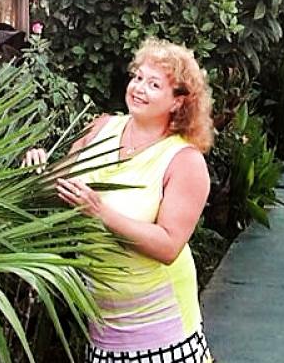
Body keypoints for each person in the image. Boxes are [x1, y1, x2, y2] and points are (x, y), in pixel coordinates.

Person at [25, 38, 214, 363]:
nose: (139, 88)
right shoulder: (100, 128)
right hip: (102, 327)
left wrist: (100, 212)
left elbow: (168, 246)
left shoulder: (185, 161)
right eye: (138, 77)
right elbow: (59, 186)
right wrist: (38, 169)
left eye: (154, 84)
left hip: (161, 333)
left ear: (177, 102)